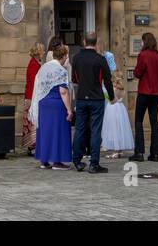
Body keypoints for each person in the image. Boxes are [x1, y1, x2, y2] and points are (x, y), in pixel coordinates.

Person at [70, 32, 114, 173]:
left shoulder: (76, 58)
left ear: (84, 41)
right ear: (95, 43)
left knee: (80, 129)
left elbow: (75, 79)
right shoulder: (100, 59)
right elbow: (107, 80)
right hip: (96, 99)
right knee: (95, 130)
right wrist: (112, 96)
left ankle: (77, 161)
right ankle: (94, 164)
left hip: (82, 97)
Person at [31, 44, 73, 169]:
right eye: (67, 55)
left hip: (43, 103)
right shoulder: (61, 70)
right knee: (58, 131)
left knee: (45, 131)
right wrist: (69, 109)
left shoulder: (43, 68)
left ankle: (44, 160)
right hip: (56, 104)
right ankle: (57, 161)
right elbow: (63, 91)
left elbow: (38, 87)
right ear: (64, 56)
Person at [130, 32, 158, 162]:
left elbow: (138, 73)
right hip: (157, 93)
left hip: (145, 92)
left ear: (145, 42)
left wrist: (135, 71)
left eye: (142, 42)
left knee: (138, 121)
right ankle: (155, 154)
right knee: (154, 121)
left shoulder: (143, 55)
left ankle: (139, 152)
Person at [101, 70, 133, 158]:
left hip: (112, 107)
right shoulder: (122, 88)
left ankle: (115, 151)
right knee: (120, 128)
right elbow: (121, 97)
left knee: (113, 128)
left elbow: (109, 98)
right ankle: (119, 151)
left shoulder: (112, 88)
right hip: (120, 108)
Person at [22, 41, 45, 155]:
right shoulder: (33, 64)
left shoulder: (36, 63)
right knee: (32, 121)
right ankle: (32, 146)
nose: (44, 52)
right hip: (31, 96)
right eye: (42, 50)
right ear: (38, 51)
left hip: (33, 95)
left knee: (33, 121)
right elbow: (33, 82)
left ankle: (33, 145)